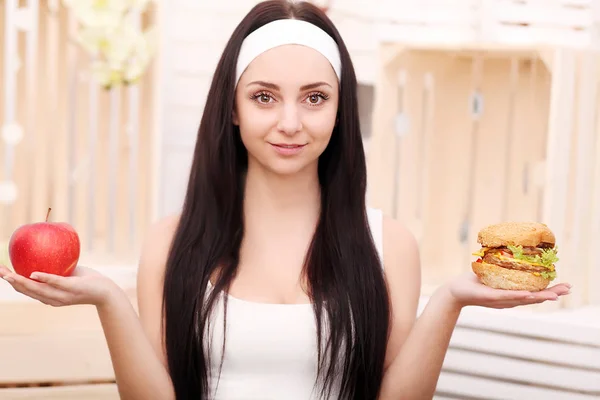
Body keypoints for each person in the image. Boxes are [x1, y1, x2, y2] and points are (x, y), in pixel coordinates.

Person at [0, 1, 571, 399]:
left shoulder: (386, 244)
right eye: (265, 97)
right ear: (232, 107)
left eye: (315, 97)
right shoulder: (173, 241)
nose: (290, 123)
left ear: (341, 109)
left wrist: (449, 301)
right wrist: (108, 299)